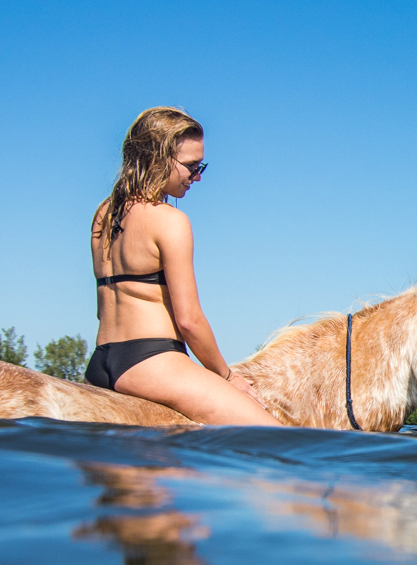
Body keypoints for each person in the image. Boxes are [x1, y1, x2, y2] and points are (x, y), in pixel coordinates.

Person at [86, 107, 280, 425]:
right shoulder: (170, 221)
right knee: (274, 437)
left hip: (102, 361)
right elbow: (189, 320)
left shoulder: (103, 213)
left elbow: (101, 309)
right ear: (158, 157)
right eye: (191, 166)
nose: (198, 176)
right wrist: (226, 375)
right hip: (151, 361)